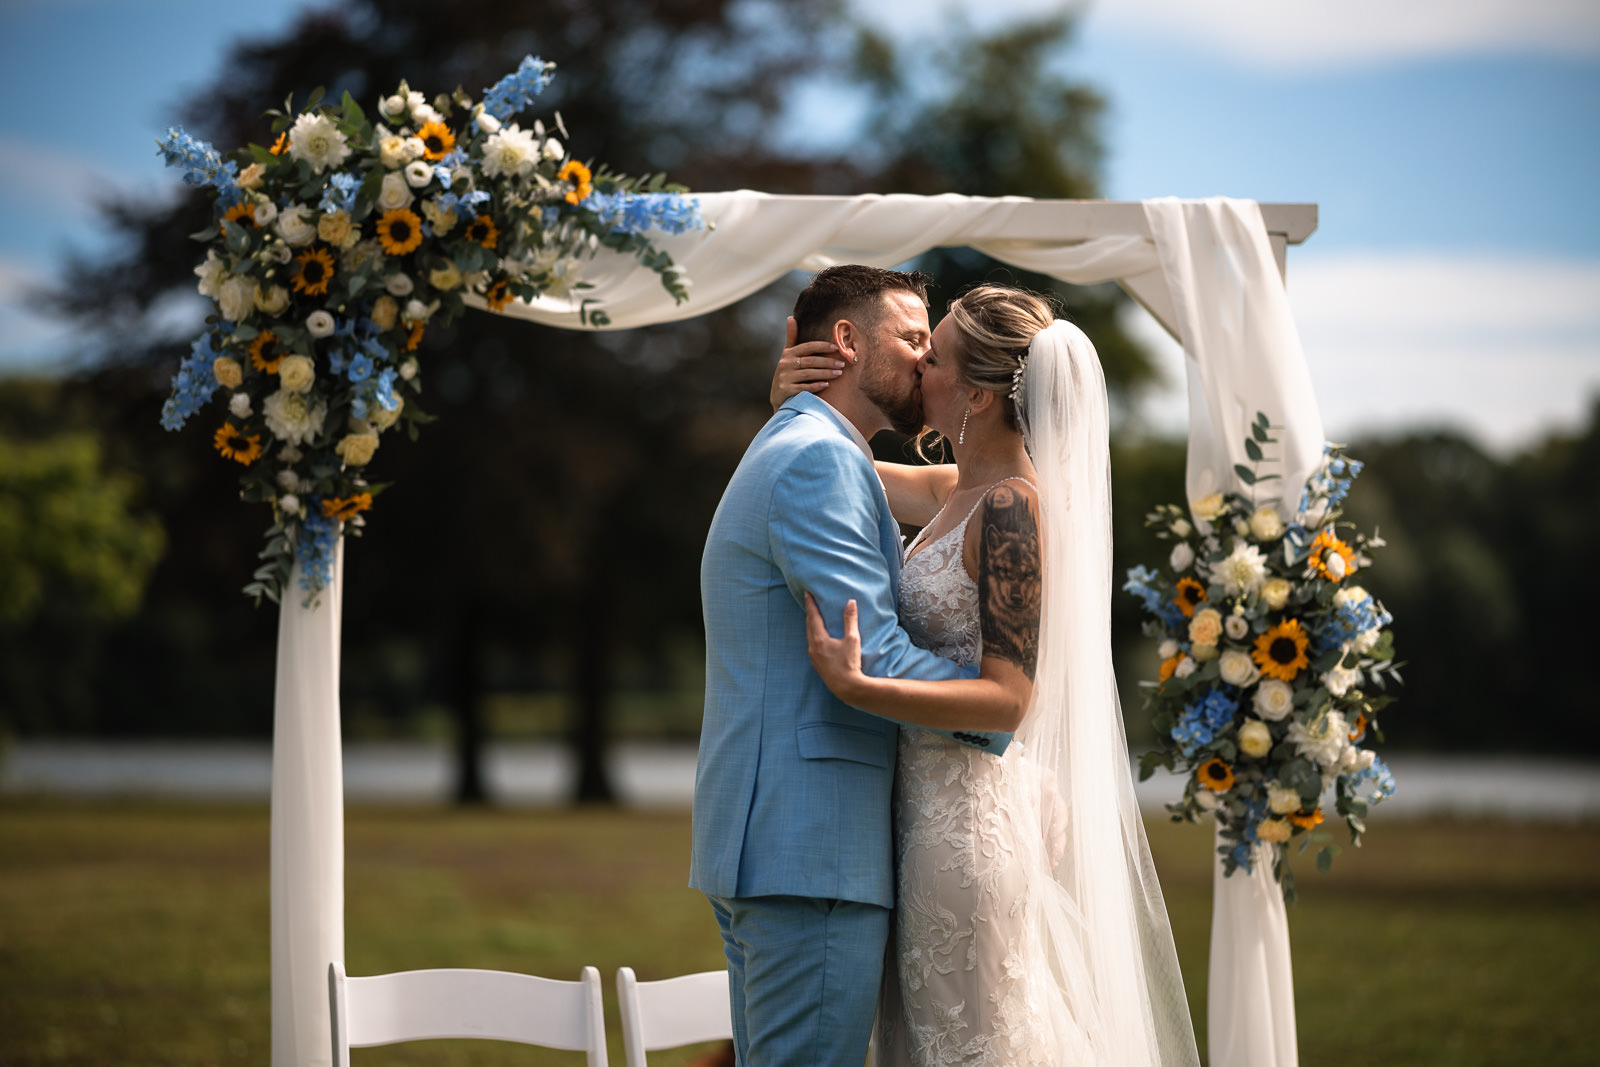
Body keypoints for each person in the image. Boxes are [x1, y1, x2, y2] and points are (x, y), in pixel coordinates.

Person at [779, 284, 1200, 1066]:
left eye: (931, 355)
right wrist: (793, 398)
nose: (916, 365)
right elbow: (829, 466)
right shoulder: (955, 491)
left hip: (964, 837)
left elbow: (1009, 700)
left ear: (975, 392)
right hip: (918, 820)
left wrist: (862, 685)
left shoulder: (1013, 508)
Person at [690, 265, 1014, 1067]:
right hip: (812, 848)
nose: (922, 362)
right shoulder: (817, 459)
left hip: (782, 843)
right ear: (846, 341)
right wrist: (999, 706)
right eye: (911, 339)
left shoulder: (806, 445)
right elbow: (868, 649)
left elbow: (955, 489)